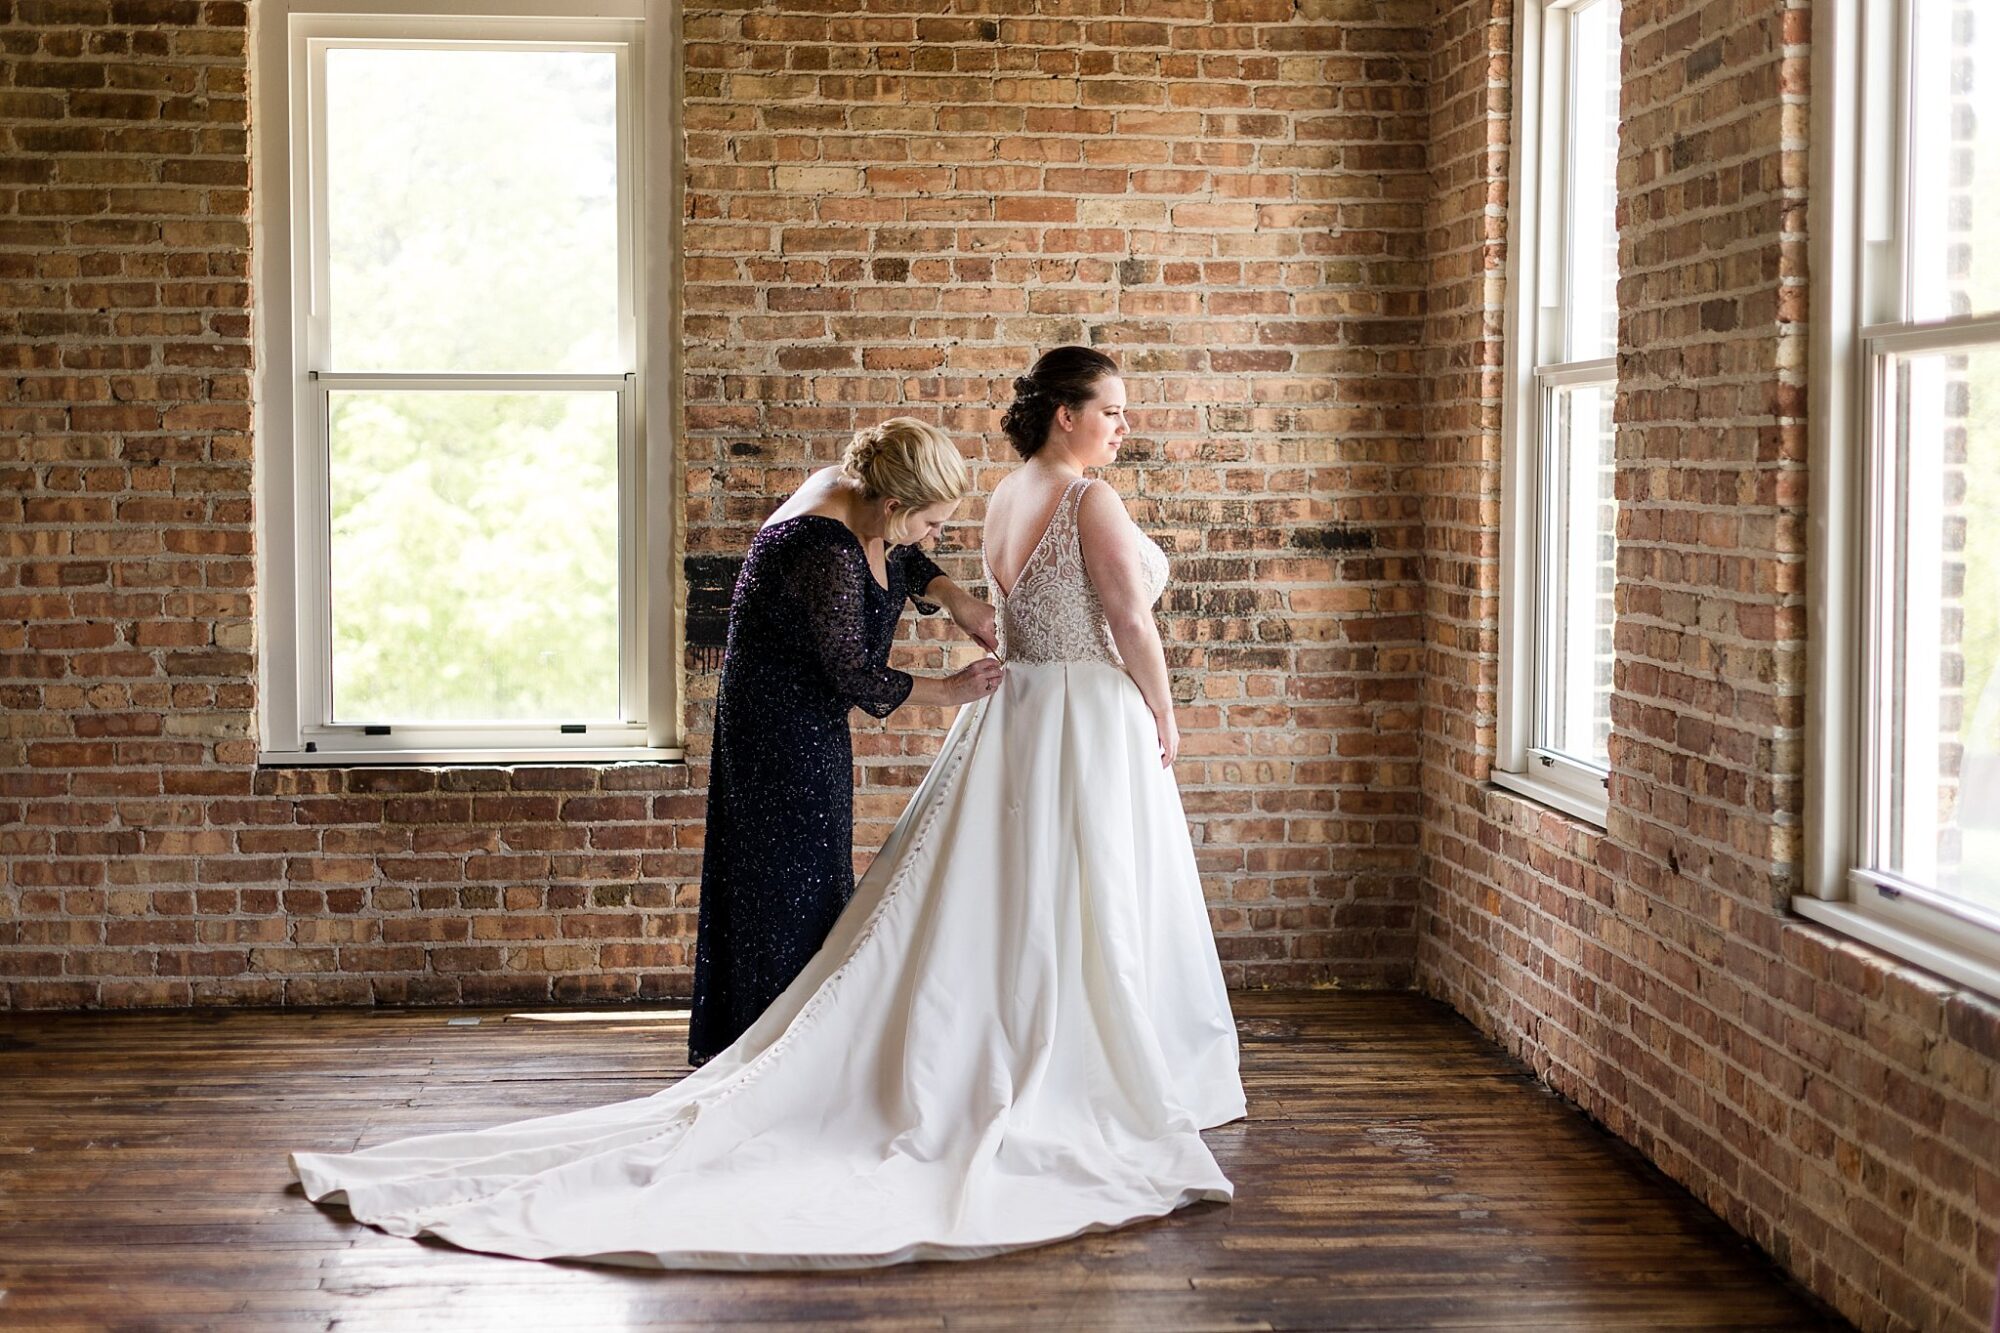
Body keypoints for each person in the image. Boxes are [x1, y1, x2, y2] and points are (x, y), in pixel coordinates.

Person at [290, 356, 1243, 1268]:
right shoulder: (884, 536)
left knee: (944, 896)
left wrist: (953, 596)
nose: (1125, 425)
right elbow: (1104, 624)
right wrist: (1142, 709)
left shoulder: (950, 497)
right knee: (897, 892)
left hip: (986, 715)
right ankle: (781, 1050)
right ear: (1067, 413)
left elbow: (911, 565)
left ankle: (778, 1041)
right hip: (819, 731)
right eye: (1112, 409)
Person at [687, 417, 1001, 1066]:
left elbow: (901, 550)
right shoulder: (823, 548)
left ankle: (799, 1041)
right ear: (893, 503)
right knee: (785, 885)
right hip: (779, 732)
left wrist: (955, 598)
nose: (934, 536)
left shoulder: (856, 489)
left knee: (815, 872)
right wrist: (954, 688)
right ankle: (771, 1051)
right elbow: (854, 672)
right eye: (933, 522)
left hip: (804, 718)